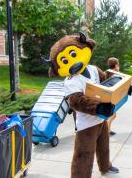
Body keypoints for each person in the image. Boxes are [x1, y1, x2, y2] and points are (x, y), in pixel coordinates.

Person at [49, 33, 119, 178]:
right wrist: (98, 107)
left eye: (73, 54)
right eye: (65, 60)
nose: (73, 62)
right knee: (84, 154)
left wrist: (121, 85)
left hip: (101, 119)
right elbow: (77, 101)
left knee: (104, 146)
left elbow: (105, 80)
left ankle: (105, 166)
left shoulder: (93, 69)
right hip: (86, 124)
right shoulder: (71, 81)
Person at [106, 57, 120, 135]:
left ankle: (108, 129)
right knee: (113, 115)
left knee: (113, 115)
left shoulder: (108, 72)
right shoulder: (115, 75)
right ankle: (107, 130)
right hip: (112, 98)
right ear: (115, 65)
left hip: (108, 97)